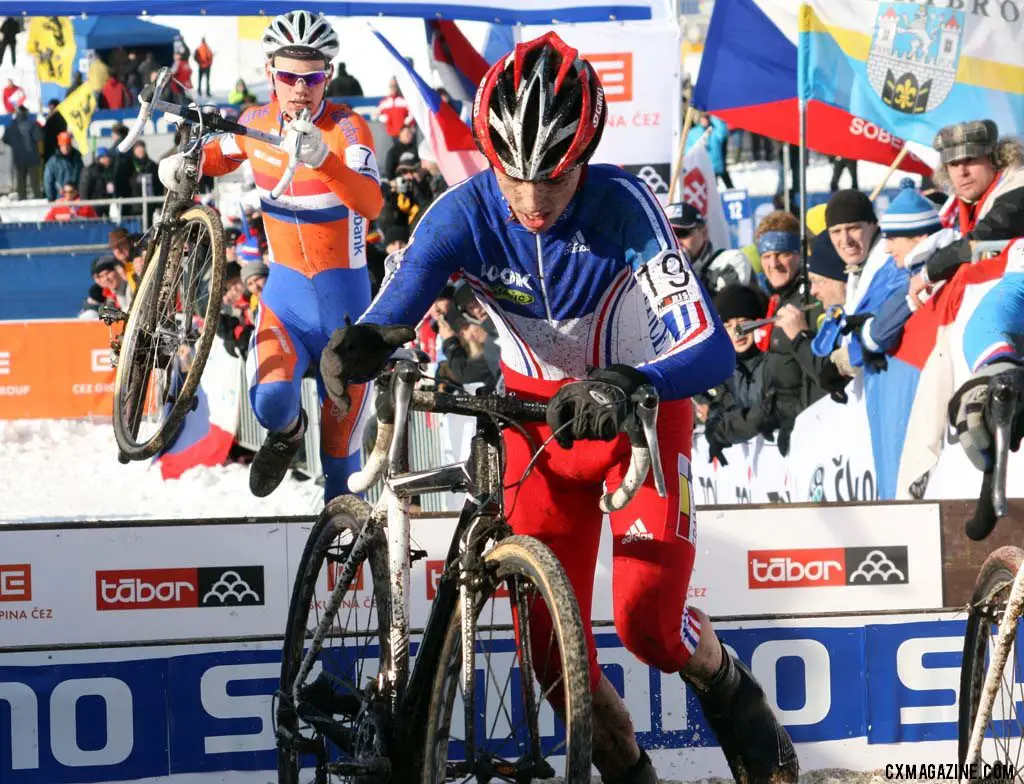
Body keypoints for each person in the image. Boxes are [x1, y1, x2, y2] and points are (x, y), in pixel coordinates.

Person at [318, 31, 797, 784]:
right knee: (550, 659)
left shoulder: (625, 207)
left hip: (635, 411)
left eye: (556, 177)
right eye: (515, 178)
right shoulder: (461, 214)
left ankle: (726, 685)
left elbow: (710, 350)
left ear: (585, 156)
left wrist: (630, 382)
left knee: (647, 627)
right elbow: (394, 311)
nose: (534, 201)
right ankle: (630, 771)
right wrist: (358, 348)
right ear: (490, 156)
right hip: (531, 426)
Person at [157, 10, 384, 502]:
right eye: (288, 76)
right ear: (270, 74)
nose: (300, 88)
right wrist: (184, 163)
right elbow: (219, 154)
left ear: (327, 75)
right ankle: (289, 436)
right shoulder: (256, 122)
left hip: (347, 317)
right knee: (270, 403)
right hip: (285, 301)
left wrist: (323, 162)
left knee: (341, 461)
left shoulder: (348, 128)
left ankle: (344, 568)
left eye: (313, 76)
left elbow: (370, 202)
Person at [910, 119, 1024, 299]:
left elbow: (983, 239)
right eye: (953, 164)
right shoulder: (967, 203)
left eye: (970, 160)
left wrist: (930, 272)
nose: (962, 172)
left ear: (995, 158)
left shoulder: (1017, 188)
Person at [703, 284, 803, 460]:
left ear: (759, 322)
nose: (738, 332)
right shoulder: (725, 371)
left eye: (743, 322)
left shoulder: (774, 359)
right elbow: (715, 421)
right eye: (728, 325)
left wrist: (734, 425)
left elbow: (772, 410)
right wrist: (720, 432)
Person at [665, 201, 752, 293]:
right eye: (667, 236)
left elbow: (729, 305)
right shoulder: (655, 270)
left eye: (682, 233)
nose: (675, 241)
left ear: (704, 233)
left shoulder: (729, 261)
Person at [2, 105, 42, 199]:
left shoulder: (11, 126)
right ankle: (38, 199)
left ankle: (22, 199)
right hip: (33, 157)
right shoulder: (32, 124)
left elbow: (5, 139)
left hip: (19, 157)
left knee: (21, 182)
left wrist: (16, 145)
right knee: (35, 183)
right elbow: (39, 137)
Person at [43, 131, 84, 201]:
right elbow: (48, 181)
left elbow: (83, 177)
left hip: (76, 198)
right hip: (60, 198)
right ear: (60, 146)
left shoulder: (77, 159)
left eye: (68, 145)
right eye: (63, 145)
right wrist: (51, 198)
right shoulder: (53, 162)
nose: (66, 147)